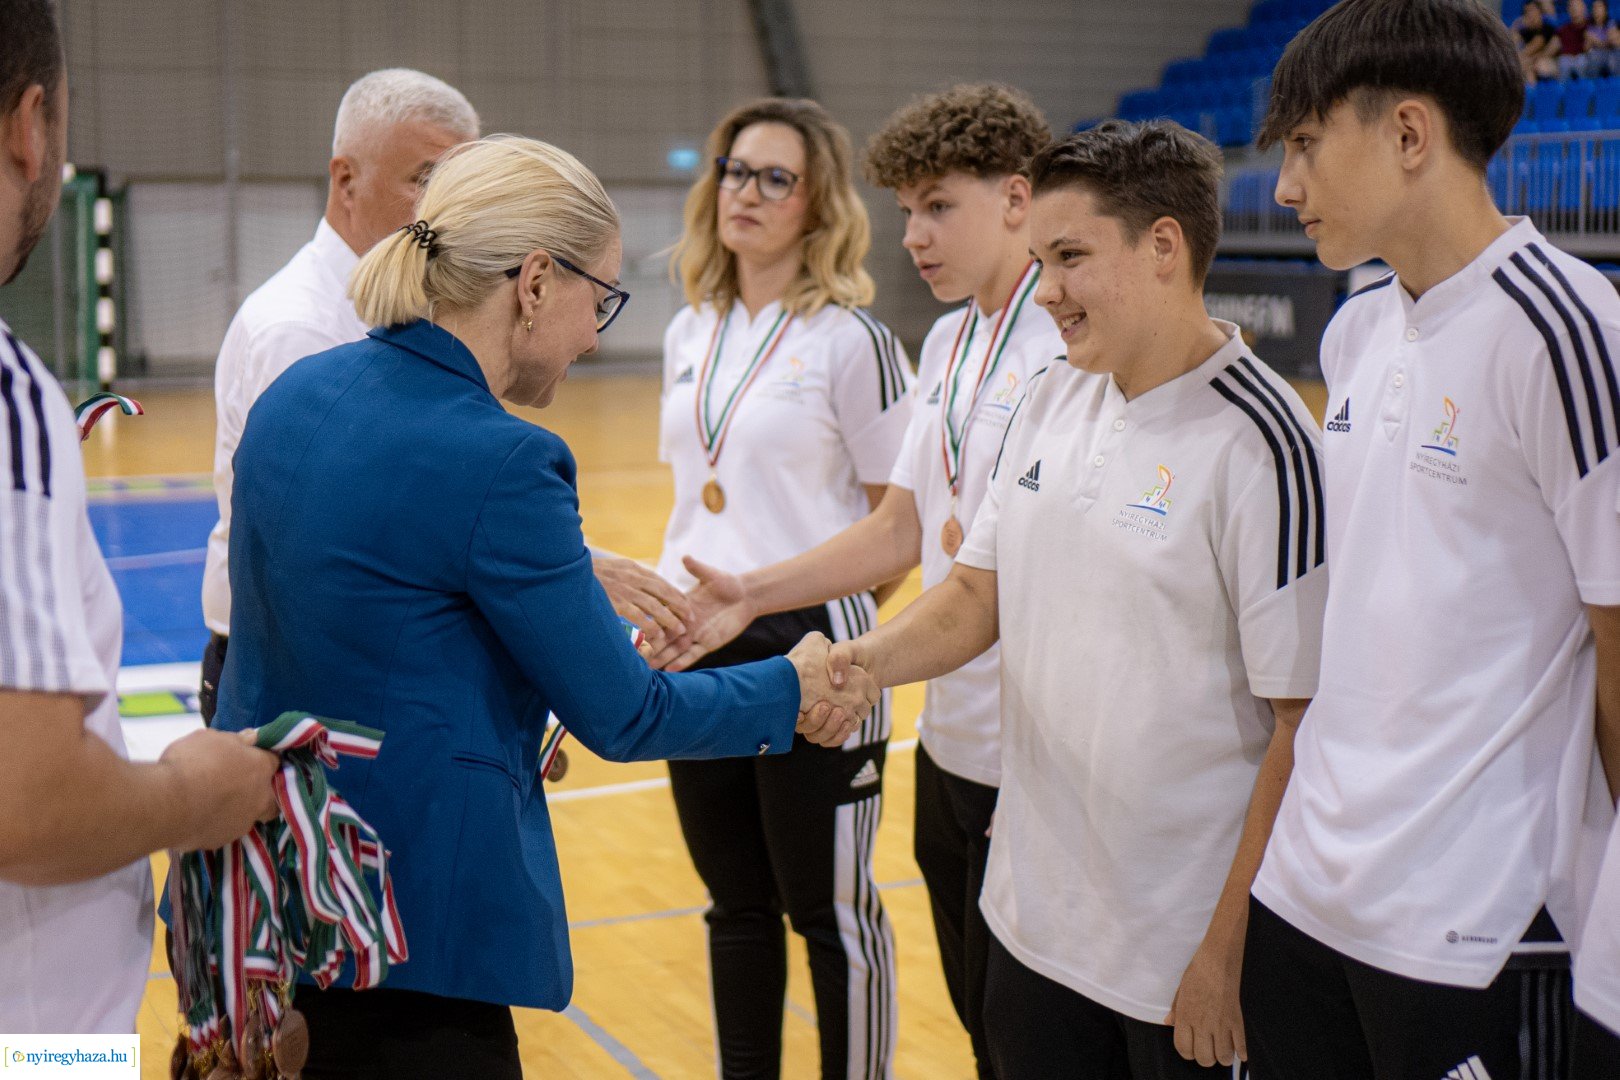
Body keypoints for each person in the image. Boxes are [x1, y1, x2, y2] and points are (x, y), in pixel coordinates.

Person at [209, 133, 881, 1079]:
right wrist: (793, 684)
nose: (596, 335)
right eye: (597, 298)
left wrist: (515, 703)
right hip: (414, 934)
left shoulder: (298, 393)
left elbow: (355, 628)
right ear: (532, 281)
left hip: (277, 897)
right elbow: (630, 714)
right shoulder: (503, 458)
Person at [821, 119, 1328, 1079]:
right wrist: (861, 665)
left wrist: (1227, 954)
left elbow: (1302, 726)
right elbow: (976, 597)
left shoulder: (1267, 445)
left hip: (1176, 956)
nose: (1045, 289)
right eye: (1041, 259)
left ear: (1165, 247)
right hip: (1031, 924)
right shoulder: (1052, 395)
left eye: (1070, 258)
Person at [652, 82, 1058, 1079]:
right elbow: (902, 528)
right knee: (977, 1009)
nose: (914, 233)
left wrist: (846, 651)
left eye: (937, 207)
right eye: (908, 209)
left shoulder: (1049, 345)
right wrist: (742, 592)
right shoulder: (954, 341)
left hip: (979, 710)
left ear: (1017, 199)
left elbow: (930, 553)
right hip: (940, 716)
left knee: (1021, 1016)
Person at [1245, 2, 1620, 1077]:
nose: (1284, 186)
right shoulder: (1357, 324)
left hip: (1474, 920)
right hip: (1309, 887)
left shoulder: (1568, 330)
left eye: (1307, 145)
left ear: (1411, 135)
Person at [200, 70, 693, 723]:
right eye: (425, 178)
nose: (450, 200)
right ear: (346, 180)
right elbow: (363, 552)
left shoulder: (420, 321)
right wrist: (551, 588)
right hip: (304, 678)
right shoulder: (303, 329)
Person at [0, 0, 279, 1033]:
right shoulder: (8, 395)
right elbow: (26, 804)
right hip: (40, 1044)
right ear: (31, 125)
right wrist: (192, 790)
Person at [654, 97, 912, 1080]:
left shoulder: (853, 341)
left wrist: (834, 635)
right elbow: (703, 502)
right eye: (734, 170)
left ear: (818, 206)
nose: (747, 193)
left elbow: (902, 532)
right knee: (737, 907)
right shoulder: (690, 330)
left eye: (776, 178)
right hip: (700, 642)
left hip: (816, 646)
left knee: (830, 913)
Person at [1515, 1, 1561, 82]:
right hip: (1531, 63)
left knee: (1539, 65)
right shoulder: (1526, 30)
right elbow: (1511, 43)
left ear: (1539, 11)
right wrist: (1517, 27)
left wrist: (1519, 57)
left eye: (1531, 10)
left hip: (1552, 63)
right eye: (1526, 12)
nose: (1529, 14)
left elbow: (1536, 46)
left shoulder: (1547, 27)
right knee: (1526, 69)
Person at [1559, 0, 1595, 77]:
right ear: (1568, 10)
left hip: (1585, 57)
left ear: (1584, 8)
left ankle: (1586, 86)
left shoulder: (1592, 24)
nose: (1574, 10)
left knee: (1581, 61)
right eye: (1572, 7)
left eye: (1577, 7)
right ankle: (1563, 88)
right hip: (1568, 58)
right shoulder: (1564, 29)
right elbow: (1553, 46)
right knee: (1563, 61)